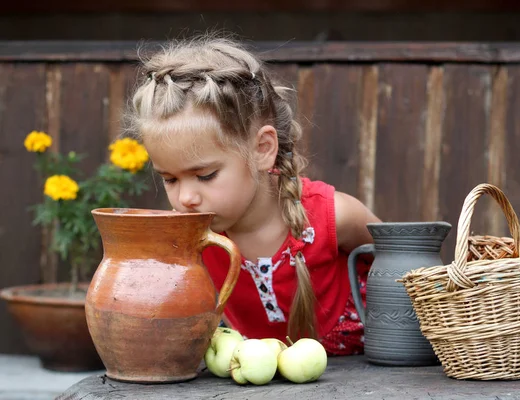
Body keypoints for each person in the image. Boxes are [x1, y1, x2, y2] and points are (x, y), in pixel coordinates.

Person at [127, 36, 381, 355]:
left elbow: (409, 269)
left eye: (205, 175)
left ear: (263, 149)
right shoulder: (193, 241)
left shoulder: (335, 217)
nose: (186, 198)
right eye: (169, 179)